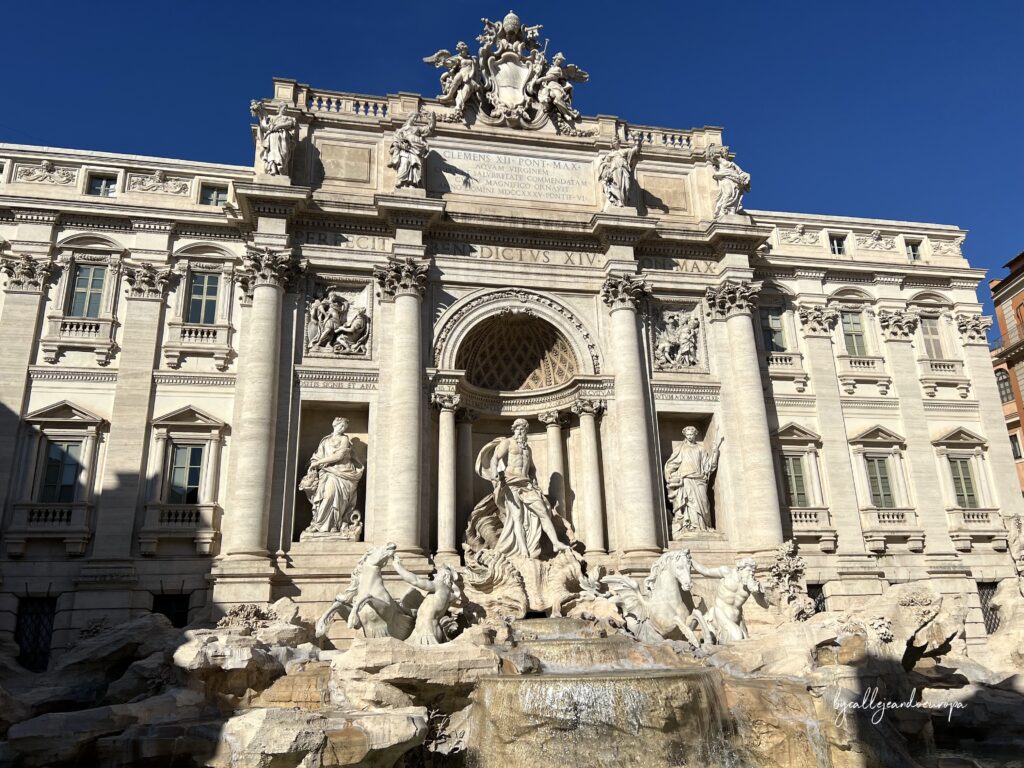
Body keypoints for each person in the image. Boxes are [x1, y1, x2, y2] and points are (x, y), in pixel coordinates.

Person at [471, 418, 571, 559]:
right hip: (511, 482)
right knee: (516, 517)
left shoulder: (527, 449)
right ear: (514, 429)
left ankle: (555, 543)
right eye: (518, 428)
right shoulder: (508, 442)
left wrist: (534, 482)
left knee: (543, 511)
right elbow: (495, 458)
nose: (520, 431)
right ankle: (523, 550)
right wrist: (495, 475)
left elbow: (531, 469)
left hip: (526, 483)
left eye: (523, 429)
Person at [300, 417, 364, 536]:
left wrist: (319, 463)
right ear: (335, 425)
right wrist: (314, 463)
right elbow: (317, 456)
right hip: (328, 473)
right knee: (327, 497)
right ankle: (318, 524)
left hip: (343, 473)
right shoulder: (325, 441)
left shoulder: (345, 439)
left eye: (345, 427)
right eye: (341, 426)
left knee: (338, 500)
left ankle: (335, 525)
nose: (343, 429)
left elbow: (339, 456)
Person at [690, 557, 765, 643]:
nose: (751, 574)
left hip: (737, 618)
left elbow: (764, 605)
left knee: (746, 643)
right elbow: (705, 571)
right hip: (720, 613)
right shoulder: (727, 573)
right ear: (740, 569)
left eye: (753, 572)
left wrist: (757, 593)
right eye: (748, 571)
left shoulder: (752, 584)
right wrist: (690, 560)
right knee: (737, 638)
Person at [664, 426, 722, 533]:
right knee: (689, 503)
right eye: (688, 435)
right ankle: (691, 526)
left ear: (695, 434)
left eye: (691, 434)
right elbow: (672, 464)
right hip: (686, 479)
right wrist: (669, 474)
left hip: (700, 480)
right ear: (685, 435)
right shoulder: (681, 448)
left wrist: (715, 453)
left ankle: (703, 526)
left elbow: (708, 466)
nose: (690, 437)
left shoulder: (701, 449)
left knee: (703, 504)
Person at [255, 104, 297, 176]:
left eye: (286, 109)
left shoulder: (288, 118)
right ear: (279, 108)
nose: (285, 110)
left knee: (283, 153)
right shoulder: (273, 118)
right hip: (273, 136)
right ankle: (273, 169)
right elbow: (266, 126)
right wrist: (259, 113)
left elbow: (290, 124)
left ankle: (280, 167)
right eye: (284, 108)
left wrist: (279, 126)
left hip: (282, 136)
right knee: (272, 152)